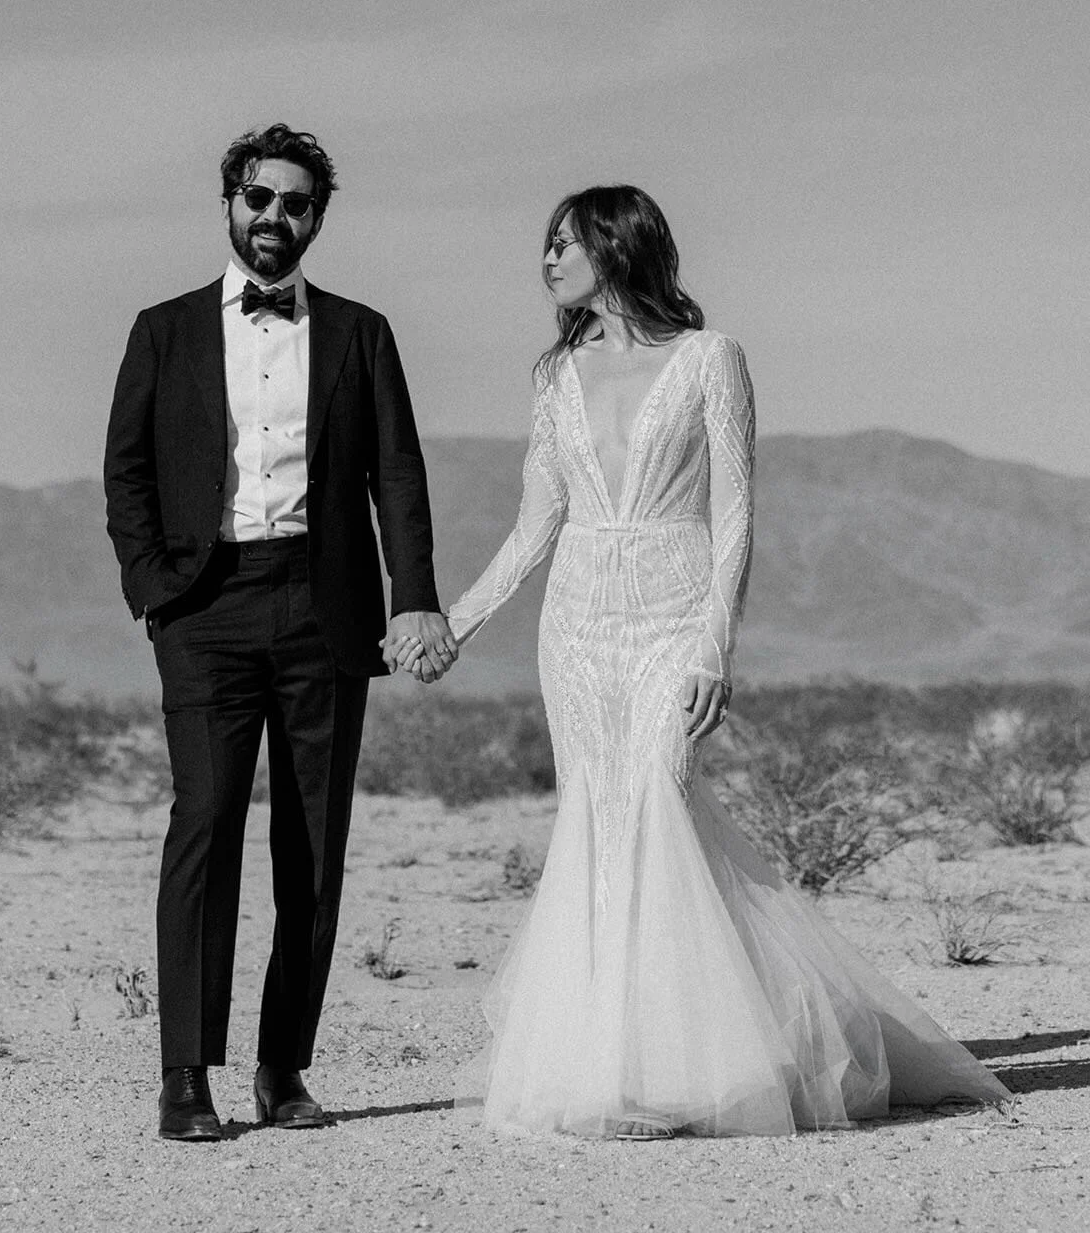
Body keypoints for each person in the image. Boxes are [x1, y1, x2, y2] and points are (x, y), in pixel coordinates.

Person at [390, 183, 1007, 1138]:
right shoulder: (555, 374)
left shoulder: (712, 360)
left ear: (617, 246)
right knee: (598, 821)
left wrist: (717, 644)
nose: (547, 260)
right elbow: (535, 523)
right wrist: (452, 624)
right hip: (580, 625)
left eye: (565, 243)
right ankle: (617, 1071)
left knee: (662, 802)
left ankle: (705, 1062)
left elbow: (736, 514)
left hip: (676, 613)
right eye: (546, 245)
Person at [104, 123, 457, 1142]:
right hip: (204, 607)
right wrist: (153, 591)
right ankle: (185, 1075)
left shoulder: (359, 332)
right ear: (228, 203)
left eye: (296, 204)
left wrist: (413, 595)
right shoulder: (162, 330)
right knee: (204, 824)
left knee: (311, 844)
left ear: (316, 218)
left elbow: (397, 474)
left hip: (322, 604)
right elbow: (124, 469)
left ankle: (281, 1066)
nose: (275, 218)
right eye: (260, 198)